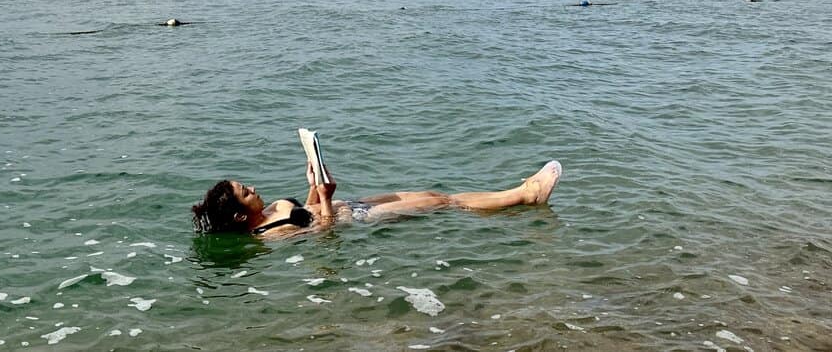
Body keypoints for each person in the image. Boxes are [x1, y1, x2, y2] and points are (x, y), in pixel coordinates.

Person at [191, 157, 562, 237]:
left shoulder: (272, 209)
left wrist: (313, 183)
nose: (253, 189)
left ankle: (515, 196)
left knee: (435, 192)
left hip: (352, 203)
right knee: (446, 203)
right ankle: (526, 196)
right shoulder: (269, 233)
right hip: (359, 217)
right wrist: (324, 196)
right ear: (241, 215)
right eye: (246, 192)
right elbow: (324, 232)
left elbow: (304, 210)